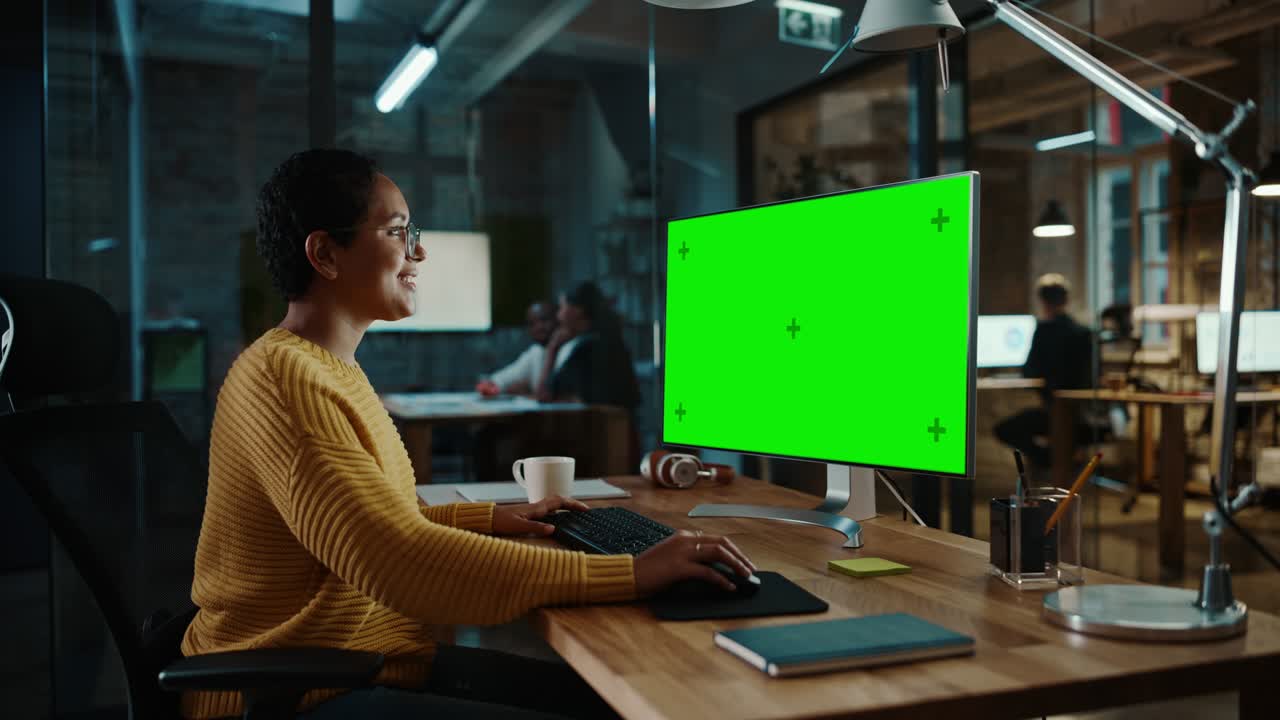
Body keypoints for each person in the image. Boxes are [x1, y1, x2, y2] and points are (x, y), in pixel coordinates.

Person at [180, 149, 755, 720]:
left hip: (351, 664)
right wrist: (631, 572)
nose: (419, 251)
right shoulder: (284, 378)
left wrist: (491, 518)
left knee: (600, 700)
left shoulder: (330, 369)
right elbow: (395, 560)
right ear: (326, 253)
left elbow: (377, 521)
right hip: (293, 691)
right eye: (399, 231)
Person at [994, 273, 1094, 468]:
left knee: (1003, 429)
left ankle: (1046, 460)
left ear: (1042, 301)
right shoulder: (1083, 331)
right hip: (1082, 415)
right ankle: (1056, 460)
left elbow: (1029, 371)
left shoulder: (1044, 330)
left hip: (1055, 413)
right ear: (1066, 299)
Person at [535, 282, 641, 411]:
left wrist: (553, 349)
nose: (558, 316)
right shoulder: (609, 340)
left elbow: (543, 395)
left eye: (562, 308)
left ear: (578, 310)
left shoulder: (586, 348)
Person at [476, 301, 556, 397]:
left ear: (558, 319)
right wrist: (492, 384)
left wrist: (528, 392)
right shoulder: (536, 351)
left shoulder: (571, 350)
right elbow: (505, 378)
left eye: (544, 320)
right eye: (532, 324)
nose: (539, 327)